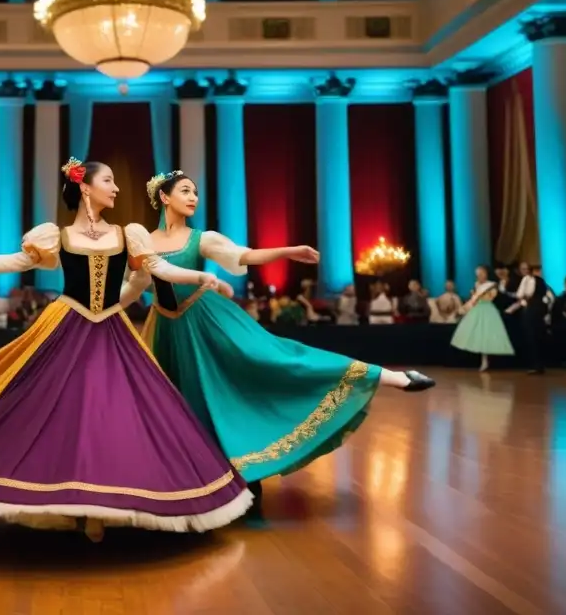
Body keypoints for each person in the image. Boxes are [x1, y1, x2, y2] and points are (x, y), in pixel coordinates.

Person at [0, 159, 252, 542]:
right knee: (61, 415)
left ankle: (102, 509)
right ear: (86, 188)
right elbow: (10, 263)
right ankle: (68, 503)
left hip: (111, 331)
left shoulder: (129, 234)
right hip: (65, 326)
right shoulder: (55, 235)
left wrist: (203, 275)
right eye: (108, 180)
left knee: (112, 415)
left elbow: (160, 270)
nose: (117, 188)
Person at [132, 170, 435, 509]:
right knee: (182, 402)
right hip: (166, 329)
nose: (193, 198)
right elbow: (137, 284)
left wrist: (289, 250)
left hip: (207, 323)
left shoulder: (200, 239)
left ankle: (387, 376)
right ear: (164, 197)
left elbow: (244, 255)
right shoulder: (145, 241)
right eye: (185, 191)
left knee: (276, 362)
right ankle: (208, 479)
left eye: (196, 193)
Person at [451, 265, 515, 372]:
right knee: (477, 335)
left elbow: (491, 297)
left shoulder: (491, 285)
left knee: (487, 334)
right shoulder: (476, 285)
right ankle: (482, 360)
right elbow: (472, 300)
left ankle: (487, 361)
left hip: (488, 310)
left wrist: (479, 295)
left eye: (482, 273)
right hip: (477, 310)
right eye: (478, 274)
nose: (480, 276)